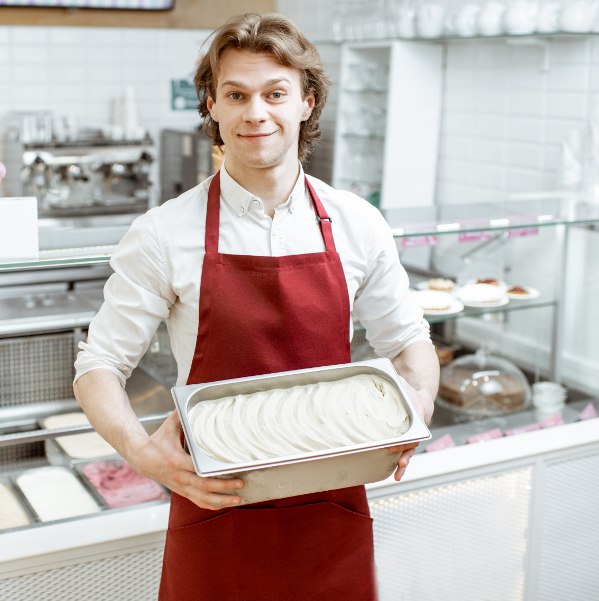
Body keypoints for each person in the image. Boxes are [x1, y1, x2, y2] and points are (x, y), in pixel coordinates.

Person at [73, 12, 439, 601]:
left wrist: (414, 410)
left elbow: (408, 342)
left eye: (275, 93)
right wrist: (144, 455)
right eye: (236, 95)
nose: (256, 113)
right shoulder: (165, 232)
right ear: (212, 105)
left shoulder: (357, 224)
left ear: (306, 103)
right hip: (218, 507)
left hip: (333, 508)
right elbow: (98, 366)